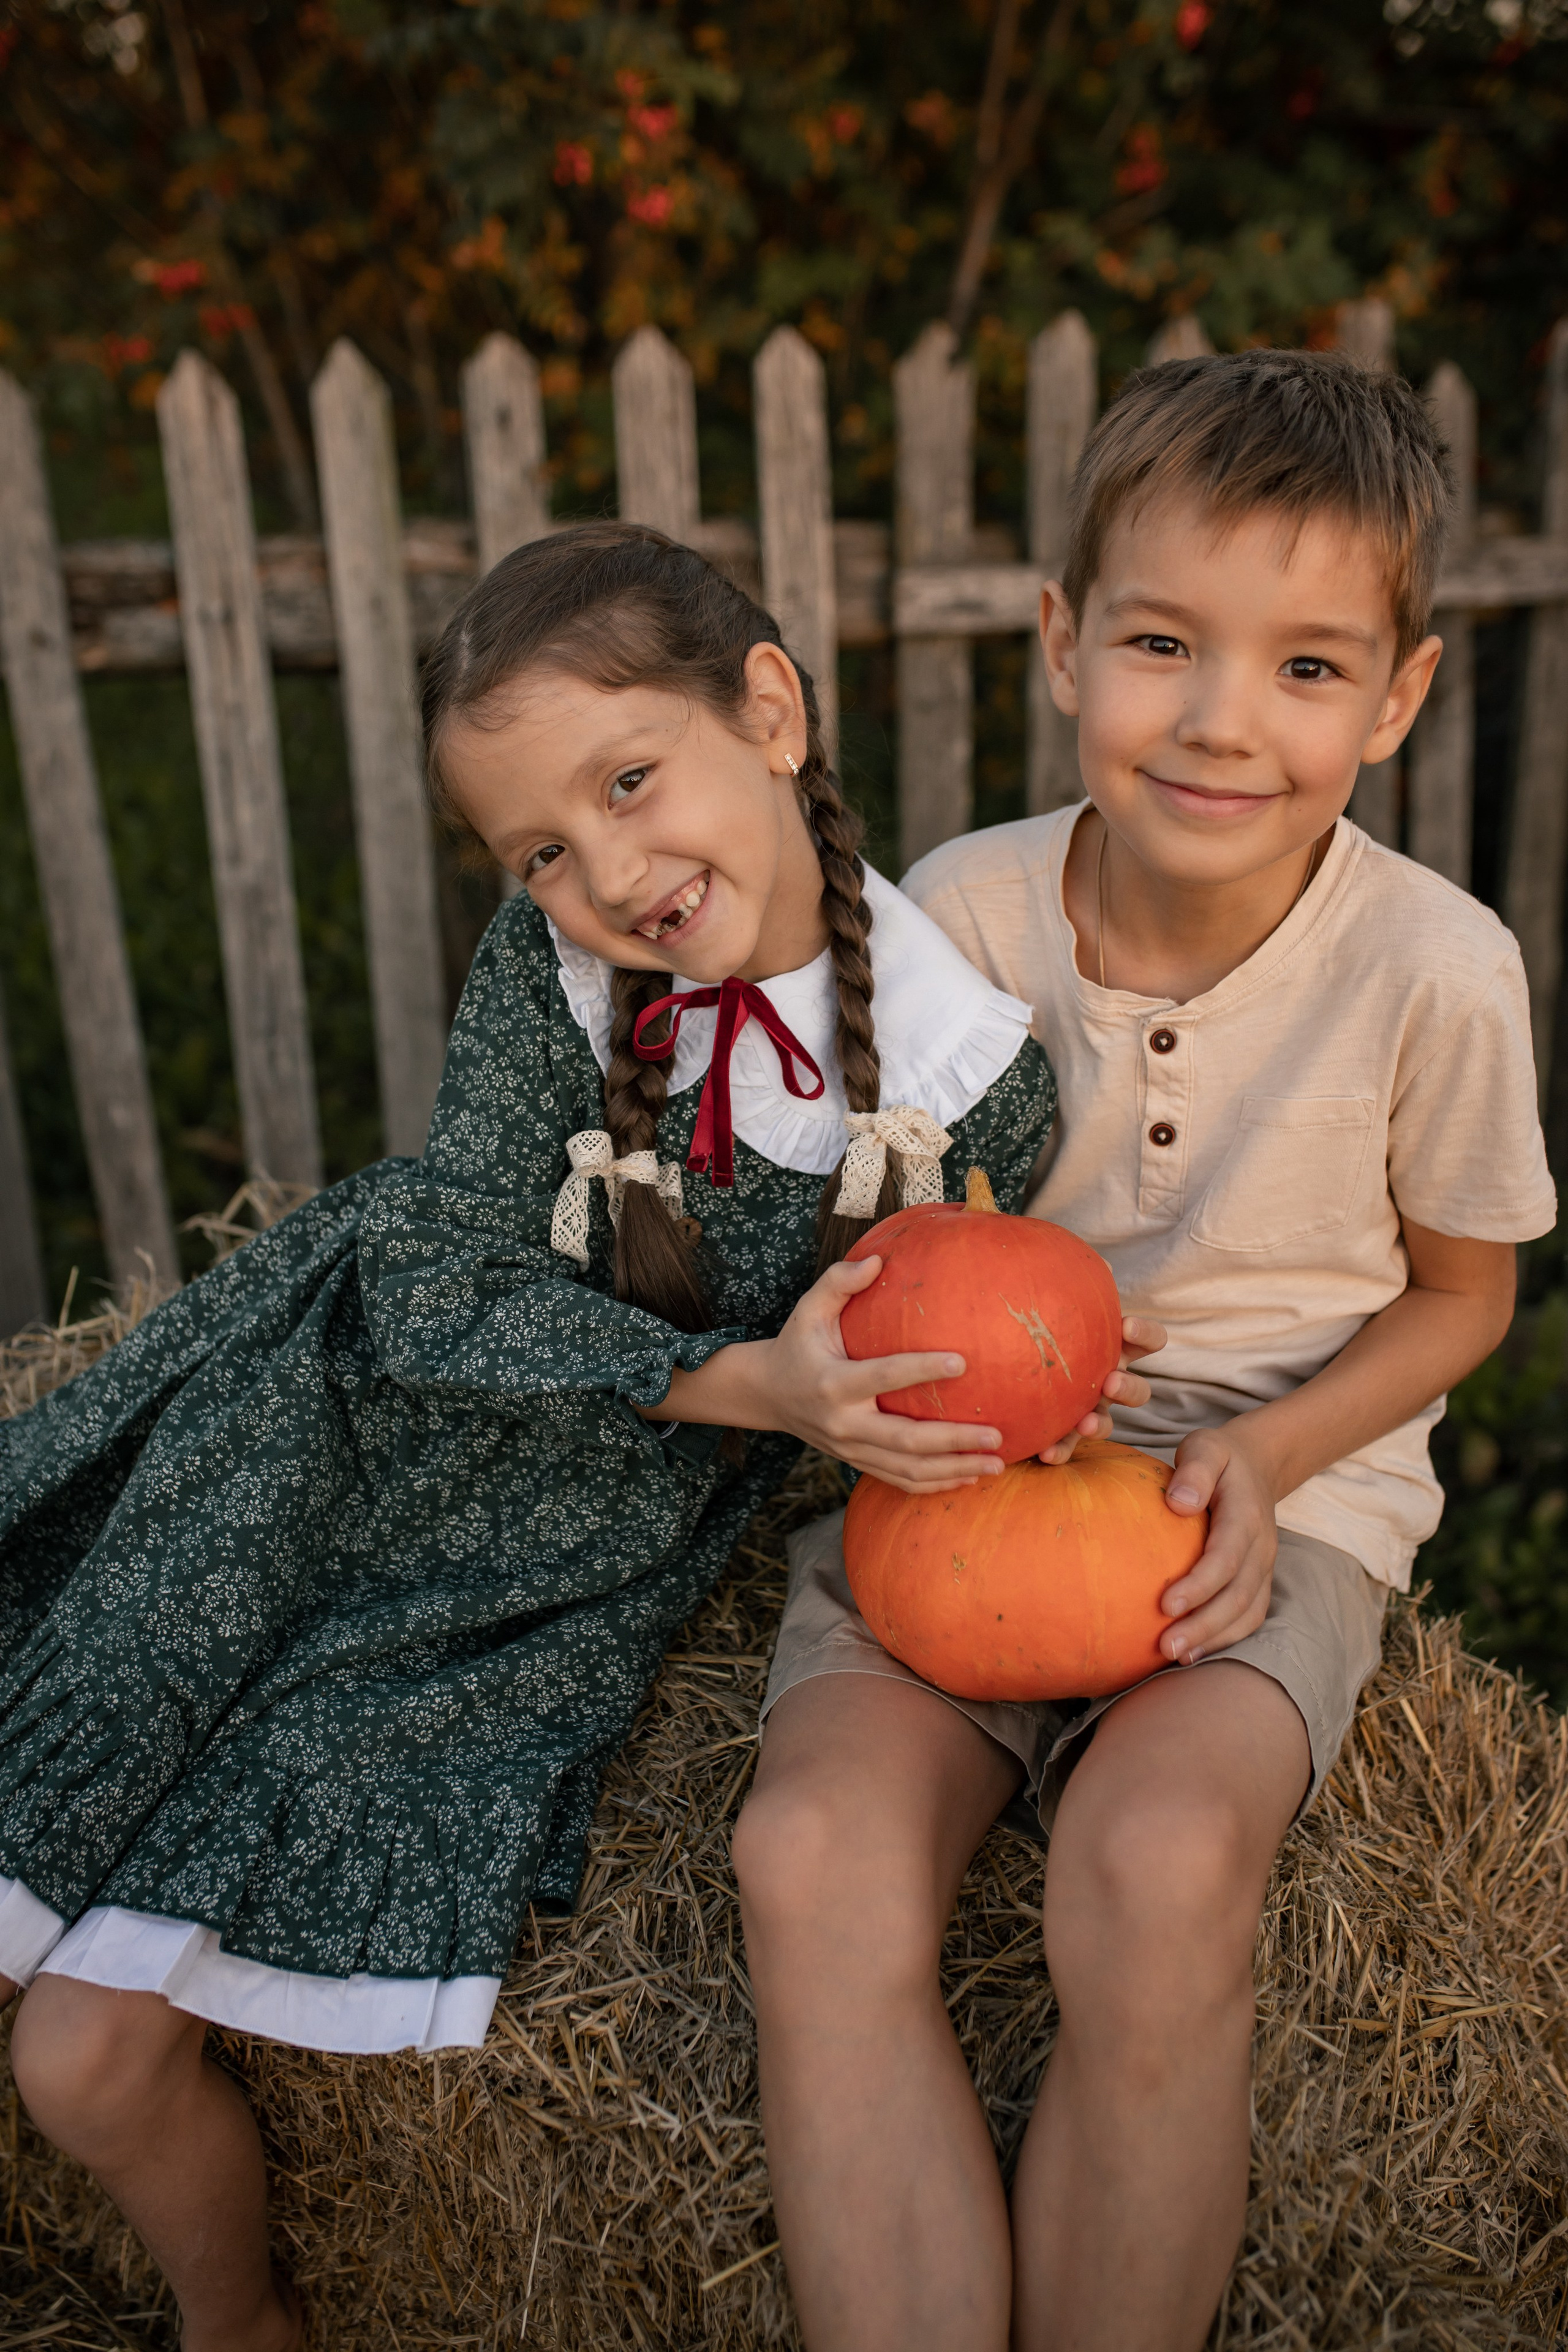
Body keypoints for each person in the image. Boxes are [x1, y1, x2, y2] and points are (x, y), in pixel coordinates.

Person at [0, 522, 1146, 2352]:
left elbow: (948, 1343)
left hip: (542, 1577)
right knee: (62, 1821)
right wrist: (744, 1385)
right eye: (543, 845)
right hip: (320, 1454)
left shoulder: (960, 1079)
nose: (606, 869)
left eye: (631, 781)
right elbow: (437, 1278)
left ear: (769, 708)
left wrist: (987, 1397)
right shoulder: (552, 981)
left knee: (79, 2050)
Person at [733, 350, 1558, 2352]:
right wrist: (843, 1378)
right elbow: (876, 1232)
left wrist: (1271, 1463)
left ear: (1399, 696)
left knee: (1163, 1863)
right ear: (1061, 644)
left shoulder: (1437, 971)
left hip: (1269, 1484)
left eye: (1303, 666)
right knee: (811, 1855)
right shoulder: (962, 918)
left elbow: (1467, 1295)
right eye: (1166, 642)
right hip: (965, 1477)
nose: (1218, 721)